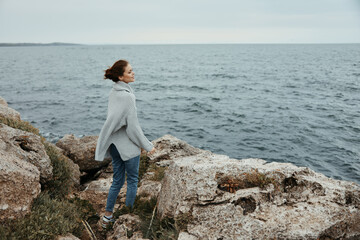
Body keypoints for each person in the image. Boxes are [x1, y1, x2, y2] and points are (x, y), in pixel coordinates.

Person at [95, 59, 156, 229]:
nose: (133, 73)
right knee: (133, 180)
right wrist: (148, 145)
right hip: (127, 146)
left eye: (132, 70)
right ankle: (127, 217)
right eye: (130, 72)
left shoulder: (114, 92)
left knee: (117, 181)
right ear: (121, 77)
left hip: (114, 144)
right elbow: (133, 128)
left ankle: (107, 217)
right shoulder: (128, 97)